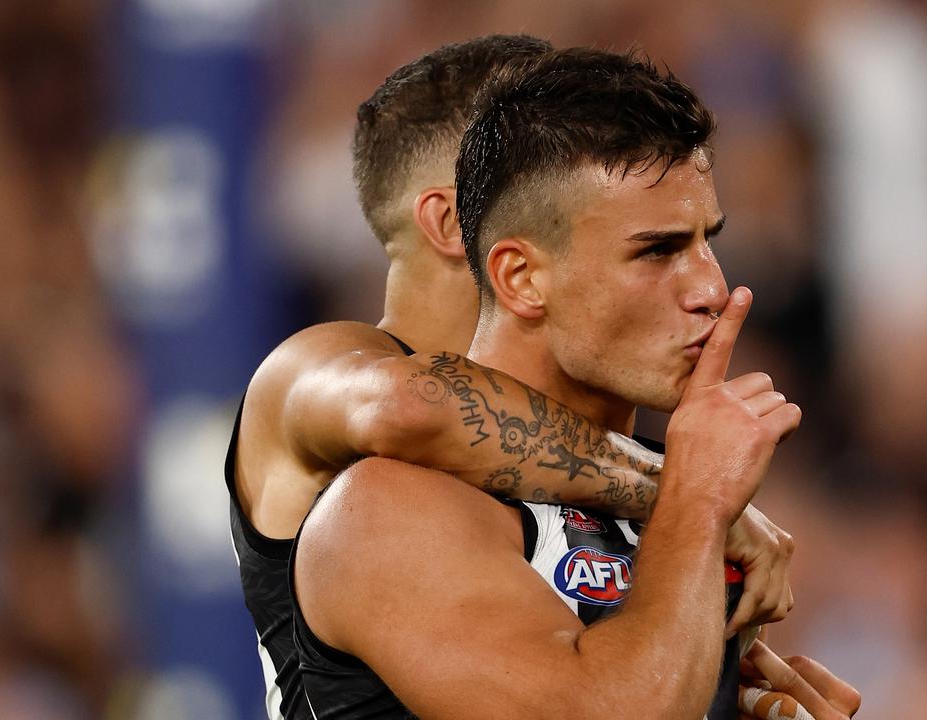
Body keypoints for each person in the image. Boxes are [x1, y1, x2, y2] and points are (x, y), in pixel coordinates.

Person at [227, 36, 797, 720]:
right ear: (464, 225)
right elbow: (412, 408)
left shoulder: (660, 500)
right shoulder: (341, 415)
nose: (713, 286)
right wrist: (690, 494)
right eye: (655, 248)